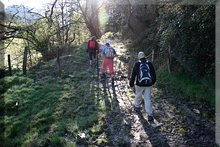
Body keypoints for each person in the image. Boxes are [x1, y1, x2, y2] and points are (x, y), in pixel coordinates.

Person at [129, 51, 156, 122]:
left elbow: (133, 75)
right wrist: (152, 82)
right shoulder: (149, 63)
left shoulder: (137, 64)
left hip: (139, 84)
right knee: (148, 99)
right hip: (149, 84)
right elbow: (153, 74)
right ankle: (149, 115)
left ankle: (137, 107)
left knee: (138, 95)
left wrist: (131, 84)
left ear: (138, 57)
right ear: (145, 56)